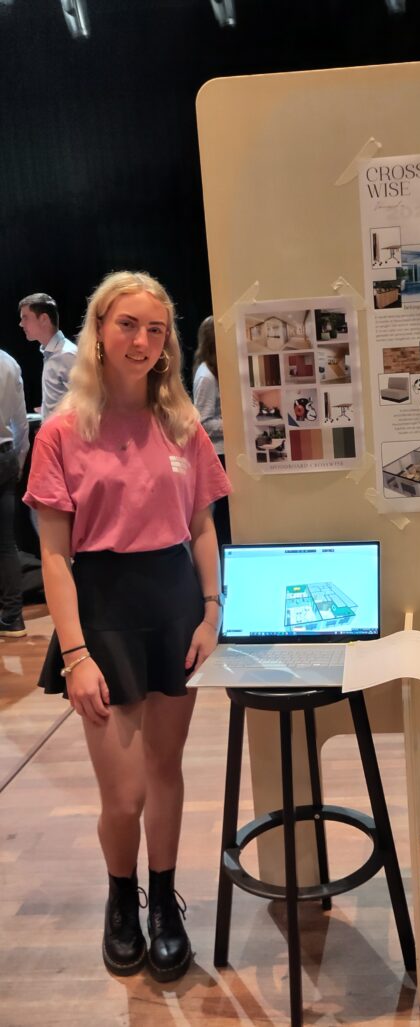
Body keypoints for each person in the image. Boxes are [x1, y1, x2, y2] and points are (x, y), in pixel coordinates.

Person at [23, 271, 230, 982]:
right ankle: (121, 900)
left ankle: (164, 903)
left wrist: (212, 610)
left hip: (175, 606)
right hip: (102, 611)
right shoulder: (61, 431)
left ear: (168, 341)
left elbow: (202, 526)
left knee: (166, 772)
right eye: (127, 325)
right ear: (99, 331)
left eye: (156, 328)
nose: (142, 340)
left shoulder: (182, 425)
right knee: (124, 793)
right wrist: (75, 654)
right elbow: (55, 556)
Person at [192, 315, 230, 545]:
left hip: (225, 453)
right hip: (219, 454)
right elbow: (203, 422)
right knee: (224, 516)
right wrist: (234, 425)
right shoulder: (206, 376)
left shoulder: (214, 370)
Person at [0, 347, 30, 636]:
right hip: (6, 455)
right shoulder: (9, 362)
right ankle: (13, 617)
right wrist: (18, 461)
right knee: (6, 544)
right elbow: (21, 423)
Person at [18, 292, 78, 420]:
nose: (21, 324)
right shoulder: (52, 353)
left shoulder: (67, 354)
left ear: (44, 319)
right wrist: (47, 410)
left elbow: (85, 405)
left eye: (25, 318)